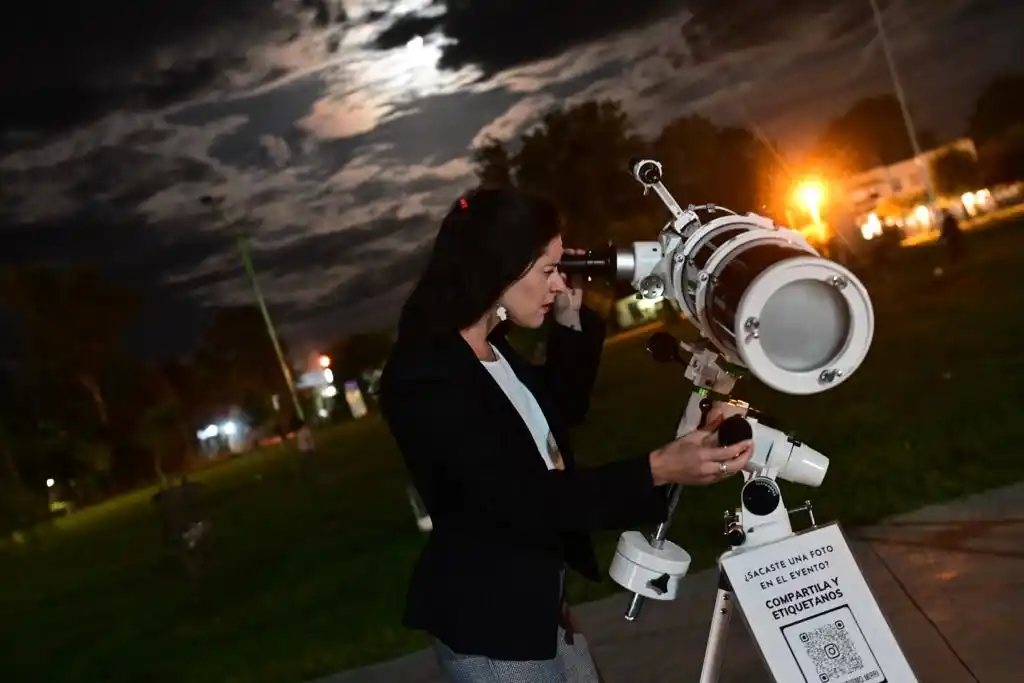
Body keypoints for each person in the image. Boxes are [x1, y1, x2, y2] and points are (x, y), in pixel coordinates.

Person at [378, 187, 754, 683]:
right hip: (495, 630)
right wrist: (657, 468)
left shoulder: (491, 351)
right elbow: (515, 499)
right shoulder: (423, 375)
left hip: (539, 610)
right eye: (547, 270)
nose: (558, 283)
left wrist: (570, 319)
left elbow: (555, 417)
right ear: (499, 267)